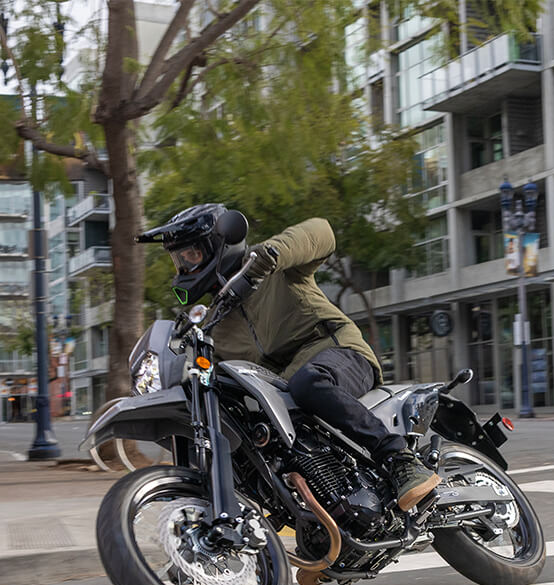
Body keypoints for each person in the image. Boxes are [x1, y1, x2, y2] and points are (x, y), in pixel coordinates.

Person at [143, 203, 439, 511]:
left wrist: (270, 255)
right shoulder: (216, 324)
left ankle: (398, 458)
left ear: (218, 243)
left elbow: (322, 233)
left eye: (191, 255)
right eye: (179, 259)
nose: (184, 266)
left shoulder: (274, 266)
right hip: (288, 394)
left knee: (308, 382)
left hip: (338, 354)